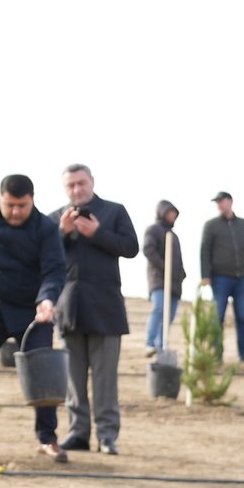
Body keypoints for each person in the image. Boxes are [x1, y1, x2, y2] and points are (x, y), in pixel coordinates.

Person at [0, 175, 67, 461]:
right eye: (10, 205)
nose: (16, 211)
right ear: (1, 199)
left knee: (45, 370)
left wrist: (47, 300)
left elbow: (55, 270)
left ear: (32, 199)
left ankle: (48, 438)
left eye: (22, 205)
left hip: (31, 311)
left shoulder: (46, 228)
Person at [53, 164, 137, 455]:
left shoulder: (115, 211)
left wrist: (98, 233)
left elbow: (131, 247)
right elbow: (43, 254)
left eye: (81, 183)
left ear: (92, 182)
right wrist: (61, 233)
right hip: (69, 307)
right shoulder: (57, 218)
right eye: (71, 185)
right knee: (73, 380)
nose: (77, 189)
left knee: (105, 379)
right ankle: (77, 433)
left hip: (106, 307)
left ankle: (106, 436)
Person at [199, 191, 244, 365]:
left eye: (221, 201)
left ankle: (243, 356)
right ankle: (217, 356)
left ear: (230, 202)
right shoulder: (211, 225)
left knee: (242, 318)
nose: (219, 205)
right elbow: (204, 251)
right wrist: (205, 275)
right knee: (218, 317)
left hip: (242, 279)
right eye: (217, 203)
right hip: (220, 278)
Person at [139, 200, 186, 358]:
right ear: (163, 213)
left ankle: (161, 345)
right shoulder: (153, 230)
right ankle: (150, 343)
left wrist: (182, 274)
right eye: (170, 213)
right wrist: (163, 266)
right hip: (159, 280)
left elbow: (178, 260)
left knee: (169, 316)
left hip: (174, 284)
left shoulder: (174, 236)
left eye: (175, 214)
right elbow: (148, 249)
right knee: (159, 309)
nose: (173, 216)